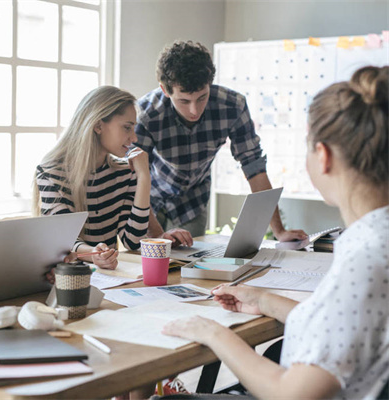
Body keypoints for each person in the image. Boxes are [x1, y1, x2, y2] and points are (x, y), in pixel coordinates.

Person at [162, 65, 389, 399]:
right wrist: (264, 299)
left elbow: (293, 394)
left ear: (322, 156)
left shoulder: (367, 258)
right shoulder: (375, 241)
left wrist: (213, 333)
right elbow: (345, 325)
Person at [135, 40, 307, 243]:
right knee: (149, 264)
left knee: (189, 264)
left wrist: (279, 231)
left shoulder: (233, 106)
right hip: (147, 199)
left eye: (201, 98)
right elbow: (135, 177)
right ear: (165, 90)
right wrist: (157, 235)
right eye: (184, 101)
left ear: (210, 84)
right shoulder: (146, 113)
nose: (194, 110)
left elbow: (255, 168)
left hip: (193, 202)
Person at [33, 86, 152, 270]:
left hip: (110, 280)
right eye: (127, 127)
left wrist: (144, 178)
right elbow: (63, 241)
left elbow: (133, 242)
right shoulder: (51, 173)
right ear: (98, 125)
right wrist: (93, 255)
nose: (134, 138)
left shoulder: (124, 173)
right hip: (66, 279)